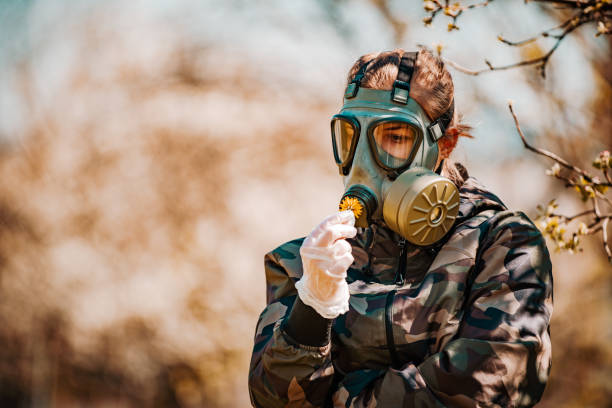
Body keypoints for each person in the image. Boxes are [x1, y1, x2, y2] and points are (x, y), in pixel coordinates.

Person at [248, 49, 553, 408]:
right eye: (352, 138)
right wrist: (312, 309)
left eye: (394, 137)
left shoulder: (504, 244)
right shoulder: (304, 263)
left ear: (446, 142)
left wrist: (338, 399)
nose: (362, 164)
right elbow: (273, 399)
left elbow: (486, 391)